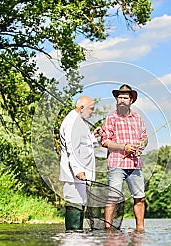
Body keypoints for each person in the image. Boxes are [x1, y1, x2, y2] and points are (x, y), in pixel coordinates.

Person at [101, 84, 148, 232]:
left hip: (135, 164)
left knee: (140, 198)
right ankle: (108, 230)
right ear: (116, 99)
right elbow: (105, 141)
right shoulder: (111, 118)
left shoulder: (138, 118)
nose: (122, 100)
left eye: (125, 98)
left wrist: (142, 143)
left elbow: (145, 137)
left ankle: (140, 229)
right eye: (119, 97)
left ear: (131, 100)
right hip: (116, 164)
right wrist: (124, 147)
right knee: (113, 197)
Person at [59, 96, 102, 231]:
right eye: (91, 109)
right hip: (74, 174)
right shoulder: (73, 122)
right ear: (81, 108)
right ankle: (73, 236)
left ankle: (77, 237)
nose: (93, 112)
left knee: (80, 202)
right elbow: (72, 147)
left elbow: (83, 143)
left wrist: (93, 136)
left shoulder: (79, 121)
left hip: (79, 174)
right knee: (74, 203)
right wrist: (78, 170)